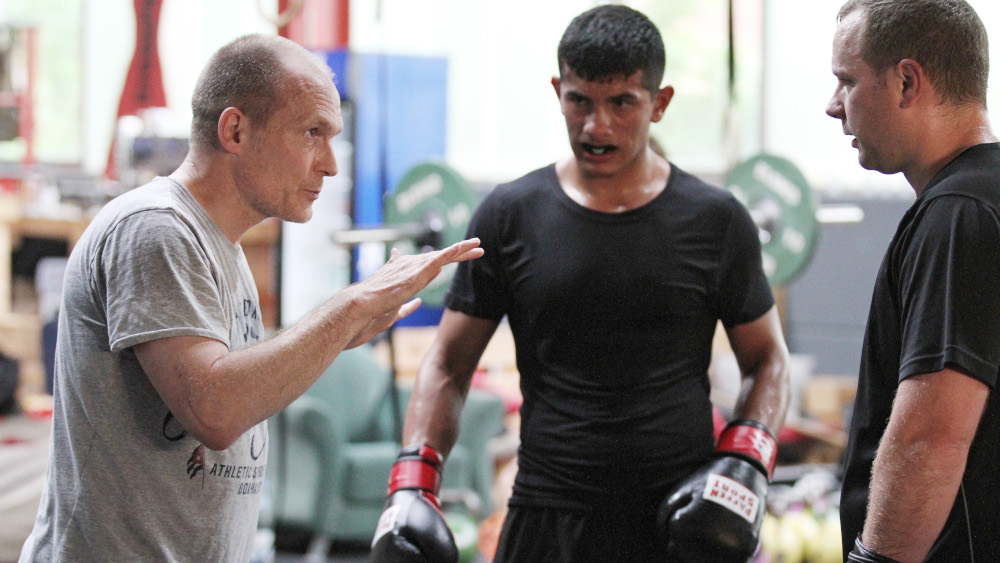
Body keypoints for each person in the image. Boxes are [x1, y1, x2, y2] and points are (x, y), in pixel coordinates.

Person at [18, 33, 482, 562]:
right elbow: (215, 409)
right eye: (312, 133)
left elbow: (233, 378)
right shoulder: (157, 229)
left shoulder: (222, 246)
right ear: (235, 129)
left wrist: (342, 333)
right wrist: (349, 307)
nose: (330, 164)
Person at [370, 5, 790, 562]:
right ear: (557, 91)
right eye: (580, 100)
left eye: (622, 103)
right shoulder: (508, 214)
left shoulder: (716, 220)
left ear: (659, 103)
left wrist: (744, 461)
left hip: (680, 518)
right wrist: (413, 482)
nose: (597, 126)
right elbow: (448, 363)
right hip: (548, 515)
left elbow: (767, 360)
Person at [826, 1, 1000, 561]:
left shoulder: (957, 214)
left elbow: (931, 437)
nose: (833, 106)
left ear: (906, 81)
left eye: (846, 81)